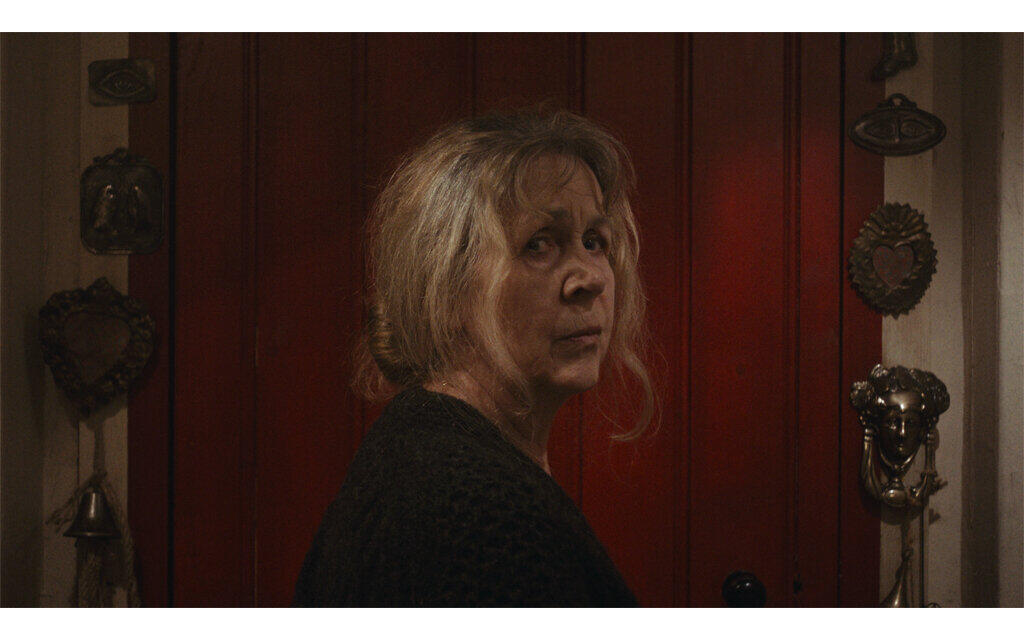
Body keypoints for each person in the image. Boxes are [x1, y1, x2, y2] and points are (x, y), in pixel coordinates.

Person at [293, 108, 655, 607]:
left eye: (594, 242)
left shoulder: (435, 458)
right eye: (539, 245)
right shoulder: (475, 511)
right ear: (445, 286)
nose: (590, 277)